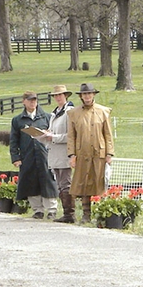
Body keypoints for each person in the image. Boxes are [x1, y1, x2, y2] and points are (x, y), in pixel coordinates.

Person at [67, 83, 114, 224]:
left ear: (93, 95)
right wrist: (72, 155)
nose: (87, 96)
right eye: (84, 94)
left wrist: (109, 153)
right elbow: (71, 136)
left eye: (89, 93)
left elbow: (108, 134)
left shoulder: (103, 111)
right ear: (81, 96)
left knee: (99, 183)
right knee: (83, 183)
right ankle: (86, 214)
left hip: (99, 153)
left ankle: (101, 214)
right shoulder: (74, 113)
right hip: (82, 154)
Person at [9, 91, 58, 219]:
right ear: (24, 101)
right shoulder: (17, 120)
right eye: (30, 100)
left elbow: (54, 133)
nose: (33, 102)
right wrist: (16, 157)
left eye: (35, 100)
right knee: (31, 181)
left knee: (48, 180)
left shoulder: (47, 117)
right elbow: (13, 140)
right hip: (27, 155)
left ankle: (52, 209)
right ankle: (37, 210)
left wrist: (49, 133)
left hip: (45, 154)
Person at [42, 85, 75, 223]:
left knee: (66, 183)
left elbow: (72, 135)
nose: (58, 97)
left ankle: (70, 214)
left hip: (64, 153)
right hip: (55, 153)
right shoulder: (54, 113)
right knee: (60, 184)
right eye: (55, 95)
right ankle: (66, 213)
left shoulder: (69, 112)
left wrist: (53, 137)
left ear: (65, 95)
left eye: (60, 95)